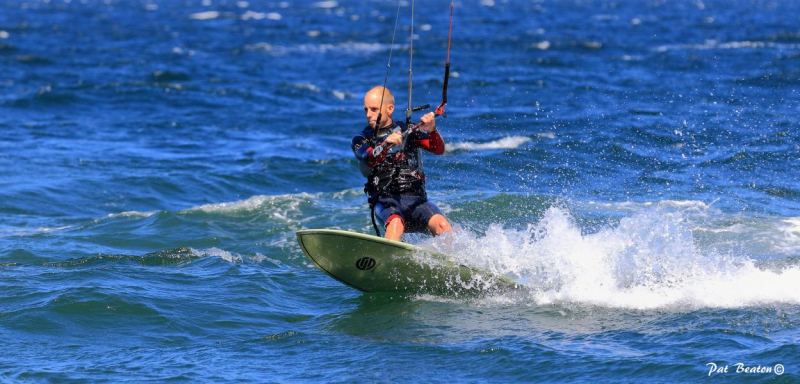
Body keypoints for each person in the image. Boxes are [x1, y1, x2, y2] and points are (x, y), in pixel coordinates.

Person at [351, 86, 452, 242]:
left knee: (442, 225)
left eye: (373, 109)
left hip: (417, 202)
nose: (368, 115)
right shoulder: (362, 139)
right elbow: (367, 157)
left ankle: (455, 263)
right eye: (366, 110)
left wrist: (432, 130)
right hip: (386, 203)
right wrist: (385, 144)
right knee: (396, 224)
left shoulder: (409, 131)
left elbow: (438, 149)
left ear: (390, 109)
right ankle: (387, 261)